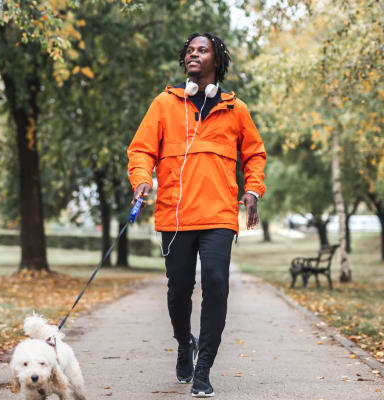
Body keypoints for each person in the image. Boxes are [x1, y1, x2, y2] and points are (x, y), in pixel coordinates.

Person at [126, 32, 266, 398]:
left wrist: (252, 189)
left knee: (217, 283)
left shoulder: (237, 110)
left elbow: (255, 155)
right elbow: (140, 149)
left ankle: (203, 369)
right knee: (178, 292)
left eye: (202, 50)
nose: (194, 55)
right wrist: (142, 179)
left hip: (219, 215)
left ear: (216, 61)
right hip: (175, 216)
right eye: (189, 50)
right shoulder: (164, 104)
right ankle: (183, 343)